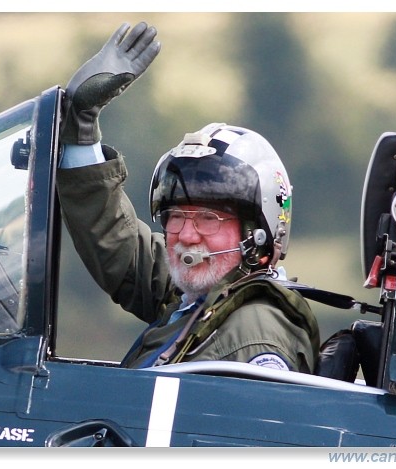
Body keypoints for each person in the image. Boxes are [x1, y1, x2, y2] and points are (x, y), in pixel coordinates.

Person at [57, 22, 319, 372]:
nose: (186, 234)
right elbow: (115, 244)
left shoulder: (253, 334)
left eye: (209, 218)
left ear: (258, 231)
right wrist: (81, 124)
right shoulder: (202, 301)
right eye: (177, 216)